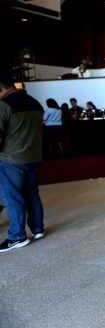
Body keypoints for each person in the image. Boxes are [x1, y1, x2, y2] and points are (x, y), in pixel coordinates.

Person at [0, 74, 46, 252]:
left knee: (12, 197)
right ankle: (37, 228)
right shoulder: (34, 102)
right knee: (31, 193)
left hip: (11, 159)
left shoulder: (4, 104)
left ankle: (17, 236)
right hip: (34, 157)